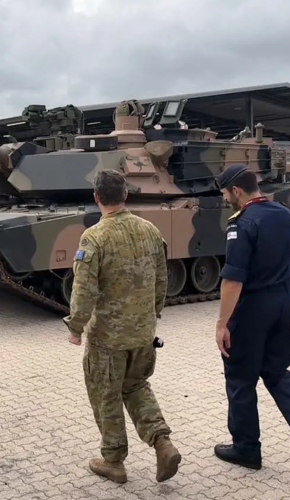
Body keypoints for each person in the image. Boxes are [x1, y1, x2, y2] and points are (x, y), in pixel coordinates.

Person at [213, 163, 290, 481]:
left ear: (237, 191)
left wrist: (222, 323)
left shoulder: (241, 223)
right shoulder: (283, 213)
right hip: (283, 304)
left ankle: (246, 449)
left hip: (253, 309)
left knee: (241, 379)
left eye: (226, 193)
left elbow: (232, 281)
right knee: (277, 373)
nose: (226, 198)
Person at [63, 169, 181, 485]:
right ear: (126, 195)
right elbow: (161, 279)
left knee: (107, 394)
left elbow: (84, 290)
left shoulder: (94, 237)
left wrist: (76, 327)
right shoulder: (150, 231)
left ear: (97, 198)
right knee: (136, 385)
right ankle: (161, 441)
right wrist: (153, 313)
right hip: (143, 332)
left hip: (108, 338)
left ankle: (113, 461)